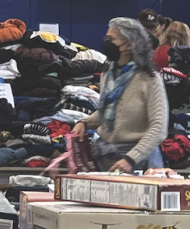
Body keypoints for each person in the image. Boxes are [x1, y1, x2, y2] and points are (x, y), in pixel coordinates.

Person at [72, 17, 169, 172]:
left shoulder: (149, 78)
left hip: (139, 162)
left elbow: (159, 128)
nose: (106, 43)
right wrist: (84, 123)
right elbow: (109, 111)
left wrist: (131, 158)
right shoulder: (108, 73)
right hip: (108, 158)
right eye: (106, 38)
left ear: (129, 44)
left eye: (112, 39)